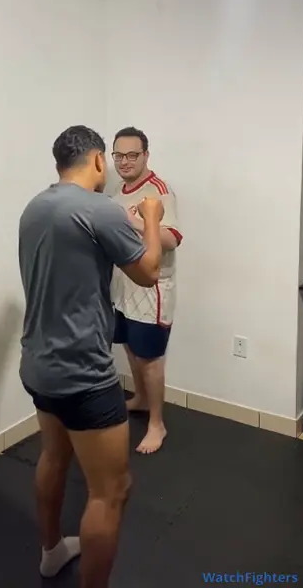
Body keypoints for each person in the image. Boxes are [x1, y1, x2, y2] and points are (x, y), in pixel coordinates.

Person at [18, 125, 164, 588]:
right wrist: (152, 217)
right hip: (83, 374)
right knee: (111, 490)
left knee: (53, 456)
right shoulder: (99, 209)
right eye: (113, 159)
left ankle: (51, 552)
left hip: (38, 365)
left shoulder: (34, 207)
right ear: (99, 160)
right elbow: (148, 272)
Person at [111, 127, 182, 455]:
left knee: (150, 358)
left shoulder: (159, 191)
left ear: (145, 155)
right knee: (129, 346)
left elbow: (172, 239)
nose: (124, 161)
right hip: (121, 286)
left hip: (151, 290)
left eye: (132, 155)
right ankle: (140, 398)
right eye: (119, 155)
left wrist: (139, 222)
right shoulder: (117, 190)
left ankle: (157, 424)